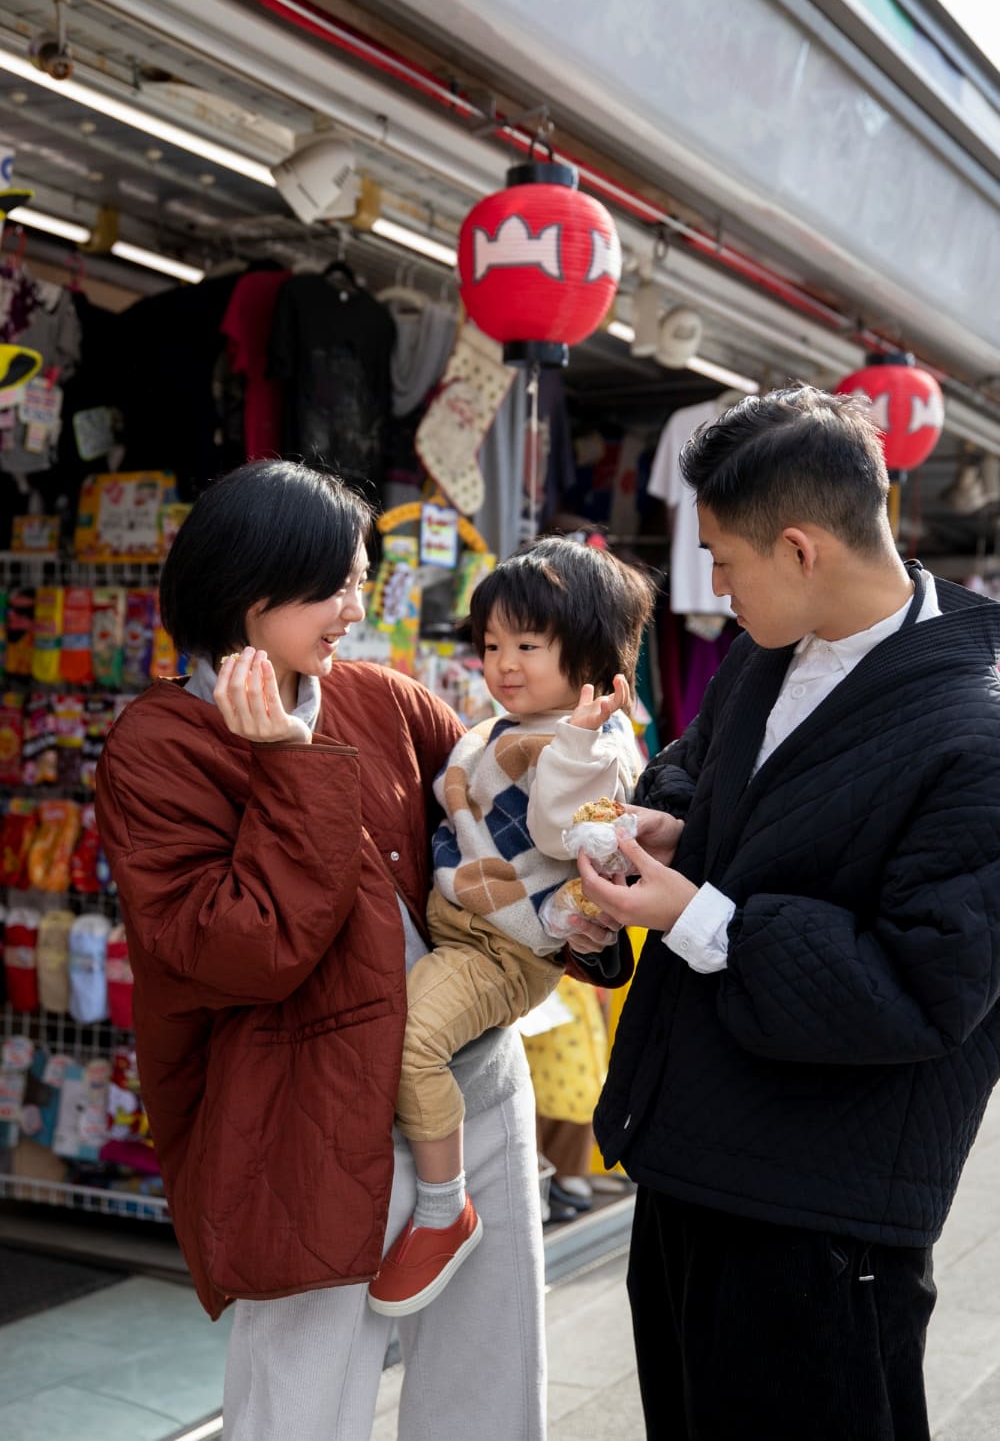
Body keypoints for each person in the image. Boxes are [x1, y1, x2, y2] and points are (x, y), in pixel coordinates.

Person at [95, 461, 631, 1441]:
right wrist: (289, 771)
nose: (355, 607)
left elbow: (508, 823)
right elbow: (238, 951)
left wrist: (581, 916)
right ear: (250, 588)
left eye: (360, 581)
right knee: (299, 1396)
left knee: (489, 1371)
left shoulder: (382, 699)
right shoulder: (157, 746)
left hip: (471, 1077)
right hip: (301, 1109)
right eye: (336, 584)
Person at [579, 386, 1000, 1441]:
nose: (712, 587)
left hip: (823, 1209)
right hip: (688, 1155)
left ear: (802, 547)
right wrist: (660, 827)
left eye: (722, 558)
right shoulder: (769, 649)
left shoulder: (977, 727)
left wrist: (700, 916)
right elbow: (695, 770)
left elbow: (925, 990)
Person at [369, 538, 655, 1316]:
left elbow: (573, 835)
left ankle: (442, 1210)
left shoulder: (593, 745)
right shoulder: (514, 723)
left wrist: (572, 748)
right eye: (493, 644)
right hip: (463, 921)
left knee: (410, 1041)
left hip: (500, 947)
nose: (504, 662)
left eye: (528, 644)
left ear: (591, 655)